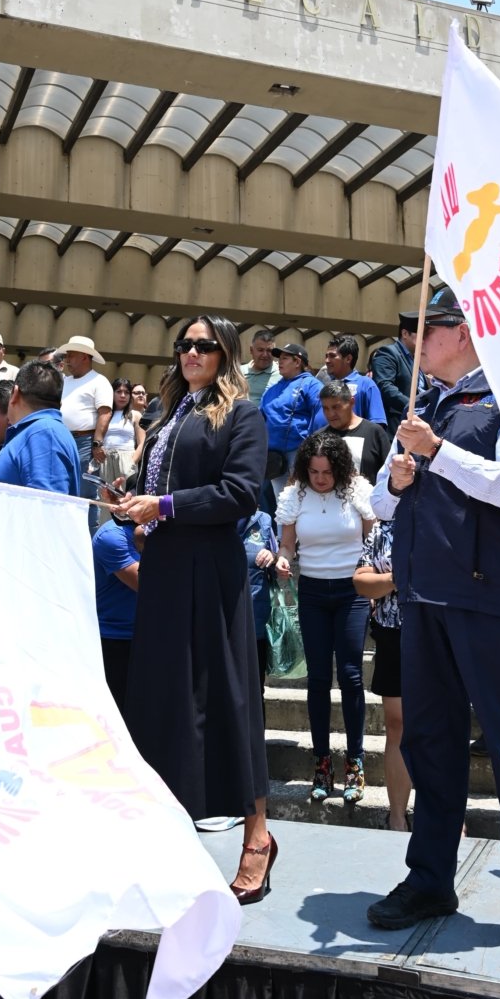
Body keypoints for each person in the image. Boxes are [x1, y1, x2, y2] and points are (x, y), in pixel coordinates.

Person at [366, 286, 500, 965]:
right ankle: (429, 880)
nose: (416, 339)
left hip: (487, 599)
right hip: (423, 600)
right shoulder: (421, 410)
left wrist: (439, 452)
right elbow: (378, 505)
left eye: (430, 328)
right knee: (429, 744)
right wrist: (397, 480)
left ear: (467, 333)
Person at [117, 314, 274, 904]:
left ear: (225, 353)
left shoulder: (243, 414)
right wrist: (135, 507)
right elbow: (159, 488)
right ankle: (162, 839)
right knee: (161, 704)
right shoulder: (168, 415)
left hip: (211, 572)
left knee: (229, 701)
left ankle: (257, 837)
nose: (191, 353)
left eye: (204, 346)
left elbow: (240, 493)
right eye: (184, 344)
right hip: (164, 570)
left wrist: (162, 506)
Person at [275, 431, 374, 804]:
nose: (320, 478)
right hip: (313, 591)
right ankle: (321, 763)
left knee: (350, 675)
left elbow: (372, 541)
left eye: (327, 472)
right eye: (314, 471)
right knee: (318, 678)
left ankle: (355, 762)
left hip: (353, 591)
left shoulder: (357, 492)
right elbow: (287, 544)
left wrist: (373, 582)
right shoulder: (294, 495)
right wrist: (283, 558)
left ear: (340, 468)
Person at [354, 519, 412, 832]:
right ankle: (397, 816)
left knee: (441, 725)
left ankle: (449, 815)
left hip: (440, 631)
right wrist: (396, 578)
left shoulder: (447, 516)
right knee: (396, 725)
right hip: (393, 633)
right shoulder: (383, 529)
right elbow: (362, 581)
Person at [0, 361, 81, 494]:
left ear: (15, 393)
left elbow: (46, 501)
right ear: (59, 403)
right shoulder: (41, 432)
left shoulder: (44, 434)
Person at [58, 335, 114, 528]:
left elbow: (105, 413)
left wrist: (97, 443)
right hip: (63, 440)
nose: (67, 360)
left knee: (85, 493)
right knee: (63, 489)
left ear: (84, 356)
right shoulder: (65, 381)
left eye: (71, 355)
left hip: (84, 443)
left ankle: (87, 536)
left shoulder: (99, 381)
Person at [260, 342, 323, 504]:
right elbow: (260, 419)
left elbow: (321, 417)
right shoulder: (272, 389)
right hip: (274, 458)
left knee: (303, 502)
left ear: (297, 362)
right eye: (279, 358)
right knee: (283, 504)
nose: (279, 362)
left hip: (300, 454)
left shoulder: (312, 384)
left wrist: (312, 450)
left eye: (285, 358)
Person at [91, 511, 142, 711]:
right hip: (115, 639)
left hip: (149, 635)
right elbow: (148, 585)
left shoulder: (160, 531)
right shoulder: (112, 536)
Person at [318, 381, 392, 485]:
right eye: (325, 408)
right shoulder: (319, 438)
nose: (330, 414)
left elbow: (389, 474)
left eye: (336, 407)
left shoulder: (374, 433)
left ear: (351, 402)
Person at [310, 334, 386, 427]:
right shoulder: (324, 387)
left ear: (348, 359)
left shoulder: (366, 385)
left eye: (332, 356)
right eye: (326, 356)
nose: (327, 360)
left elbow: (377, 426)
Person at [240, 507, 277, 696]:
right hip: (220, 621)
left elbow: (278, 558)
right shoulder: (215, 517)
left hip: (256, 620)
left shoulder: (264, 520)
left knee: (255, 690)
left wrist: (273, 557)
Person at [369, 320, 425, 438]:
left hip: (416, 426)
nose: (424, 339)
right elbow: (385, 386)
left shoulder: (418, 359)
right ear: (405, 333)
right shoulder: (388, 353)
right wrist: (413, 407)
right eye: (420, 334)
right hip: (395, 427)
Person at [102, 377, 145, 484]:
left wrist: (132, 463)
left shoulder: (136, 415)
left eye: (126, 392)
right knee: (105, 493)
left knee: (125, 494)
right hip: (105, 460)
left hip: (127, 460)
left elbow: (142, 443)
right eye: (119, 392)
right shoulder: (104, 415)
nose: (122, 395)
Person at [241, 327, 279, 407]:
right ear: (251, 350)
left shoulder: (282, 374)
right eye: (260, 350)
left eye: (269, 351)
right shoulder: (238, 372)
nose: (265, 355)